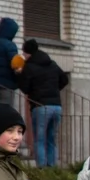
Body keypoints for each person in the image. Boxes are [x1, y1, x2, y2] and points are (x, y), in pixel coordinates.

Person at [16, 38, 68, 168]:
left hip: (40, 107)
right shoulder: (52, 64)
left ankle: (41, 169)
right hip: (57, 106)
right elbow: (64, 79)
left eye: (24, 53)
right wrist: (55, 90)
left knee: (39, 140)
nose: (24, 55)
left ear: (29, 53)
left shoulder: (29, 66)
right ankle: (52, 168)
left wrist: (18, 75)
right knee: (51, 139)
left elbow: (25, 88)